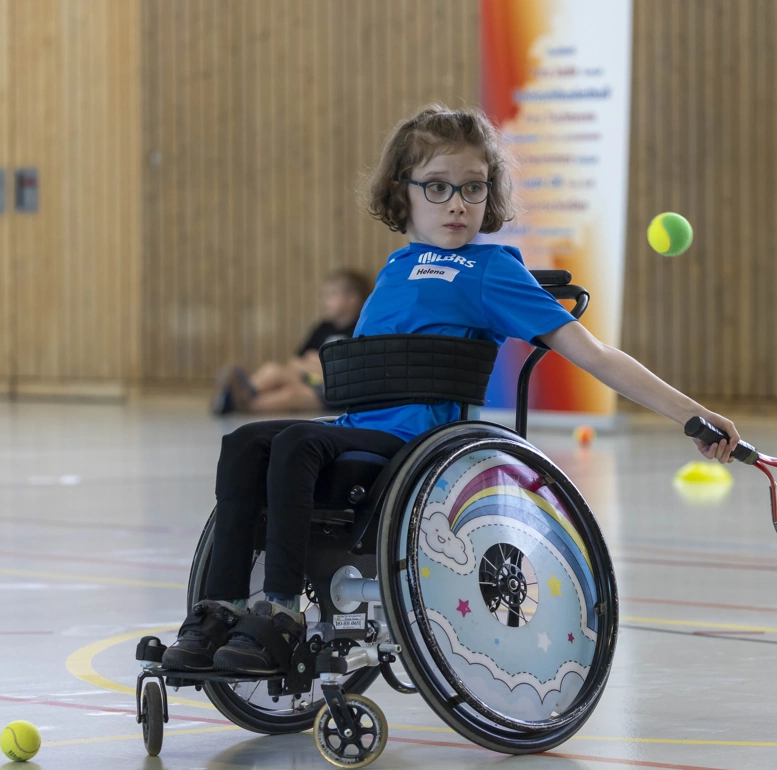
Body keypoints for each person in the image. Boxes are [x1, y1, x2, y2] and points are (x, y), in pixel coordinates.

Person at [163, 104, 742, 675]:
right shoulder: (396, 267)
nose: (458, 204)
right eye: (437, 188)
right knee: (243, 442)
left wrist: (692, 415)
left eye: (473, 188)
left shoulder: (492, 271)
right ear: (403, 190)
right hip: (357, 431)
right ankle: (219, 611)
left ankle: (280, 613)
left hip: (418, 447)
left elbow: (594, 355)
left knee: (294, 446)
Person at [211, 268, 372, 415]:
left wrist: (316, 363)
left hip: (335, 392)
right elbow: (295, 361)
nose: (325, 301)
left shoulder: (361, 329)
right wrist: (316, 365)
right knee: (273, 369)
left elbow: (348, 373)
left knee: (292, 394)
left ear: (353, 299)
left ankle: (235, 401)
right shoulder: (323, 327)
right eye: (325, 296)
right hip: (311, 378)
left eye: (331, 295)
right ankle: (241, 394)